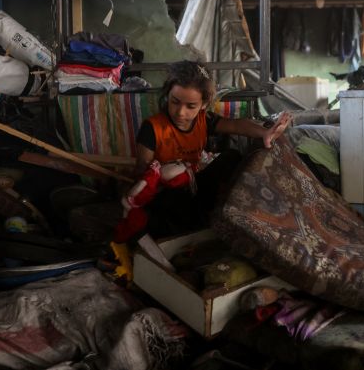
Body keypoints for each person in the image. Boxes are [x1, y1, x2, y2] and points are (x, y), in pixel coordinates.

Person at [121, 60, 291, 239]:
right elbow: (143, 176)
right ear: (167, 96)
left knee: (231, 158)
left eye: (190, 106)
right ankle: (192, 225)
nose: (180, 112)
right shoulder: (152, 128)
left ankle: (205, 220)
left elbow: (235, 125)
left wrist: (265, 133)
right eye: (175, 102)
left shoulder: (203, 120)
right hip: (166, 196)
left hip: (193, 188)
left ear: (203, 104)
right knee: (168, 208)